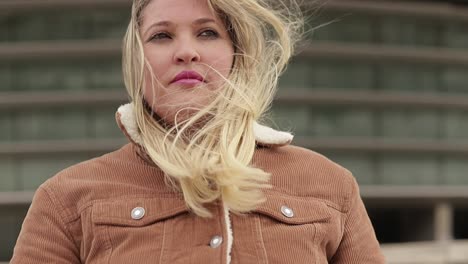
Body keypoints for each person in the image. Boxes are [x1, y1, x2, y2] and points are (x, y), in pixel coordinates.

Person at [11, 0, 386, 263]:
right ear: (136, 61)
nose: (186, 52)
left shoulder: (331, 184)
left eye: (208, 33)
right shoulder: (65, 199)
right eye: (161, 36)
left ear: (238, 54)